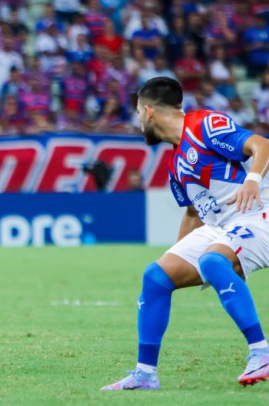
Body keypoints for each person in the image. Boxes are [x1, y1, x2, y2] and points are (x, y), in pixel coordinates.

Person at [102, 77, 269, 390]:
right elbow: (194, 212)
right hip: (220, 227)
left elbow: (261, 145)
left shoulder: (205, 124)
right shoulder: (175, 161)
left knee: (213, 262)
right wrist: (178, 256)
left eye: (138, 113)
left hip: (259, 214)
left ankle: (261, 352)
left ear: (149, 111)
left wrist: (253, 180)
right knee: (156, 277)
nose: (138, 121)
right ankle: (145, 374)